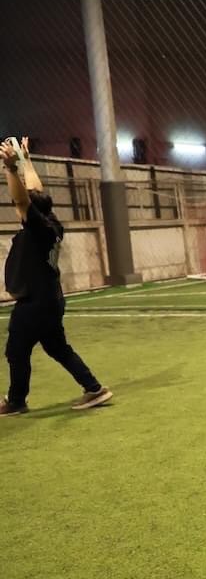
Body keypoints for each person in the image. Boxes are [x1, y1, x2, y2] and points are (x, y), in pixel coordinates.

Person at [1, 137, 111, 416]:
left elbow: (23, 199)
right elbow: (35, 191)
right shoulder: (52, 222)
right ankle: (95, 388)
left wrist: (10, 169)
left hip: (35, 304)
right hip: (50, 300)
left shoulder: (38, 228)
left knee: (16, 351)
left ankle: (16, 401)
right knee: (57, 348)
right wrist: (26, 161)